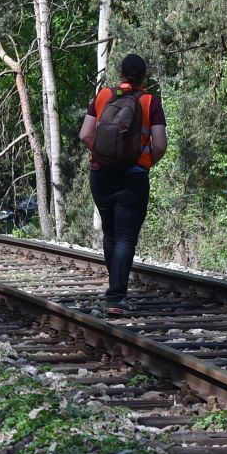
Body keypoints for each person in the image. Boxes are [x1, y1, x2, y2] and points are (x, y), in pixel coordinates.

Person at [78, 53, 167, 316]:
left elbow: (85, 134)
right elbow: (160, 143)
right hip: (134, 176)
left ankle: (115, 292)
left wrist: (102, 155)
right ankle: (116, 297)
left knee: (111, 234)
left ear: (121, 73)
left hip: (101, 174)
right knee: (126, 237)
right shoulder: (151, 101)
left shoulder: (103, 96)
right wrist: (146, 162)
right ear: (144, 75)